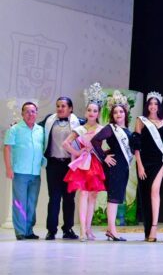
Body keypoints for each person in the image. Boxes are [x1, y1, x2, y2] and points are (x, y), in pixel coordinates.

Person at [61, 85, 106, 242]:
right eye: (89, 110)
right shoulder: (79, 129)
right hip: (83, 164)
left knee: (93, 196)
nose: (92, 113)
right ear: (86, 112)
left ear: (98, 113)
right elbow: (65, 143)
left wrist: (105, 154)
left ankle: (88, 229)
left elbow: (107, 146)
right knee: (83, 194)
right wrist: (78, 152)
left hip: (96, 163)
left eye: (95, 110)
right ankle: (82, 230)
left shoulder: (102, 129)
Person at [91, 92, 134, 242]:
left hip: (123, 167)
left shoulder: (127, 130)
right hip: (115, 167)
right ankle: (112, 230)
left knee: (116, 198)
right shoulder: (111, 128)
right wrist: (104, 157)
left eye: (121, 111)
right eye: (115, 112)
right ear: (112, 115)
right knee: (113, 198)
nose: (118, 114)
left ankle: (111, 229)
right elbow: (95, 141)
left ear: (125, 113)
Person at [40, 97, 83, 240]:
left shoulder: (79, 122)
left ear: (70, 108)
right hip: (53, 165)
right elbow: (34, 126)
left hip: (70, 165)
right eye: (58, 106)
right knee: (54, 198)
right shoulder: (49, 120)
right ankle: (51, 230)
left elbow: (92, 129)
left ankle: (68, 229)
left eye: (63, 106)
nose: (60, 108)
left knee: (69, 198)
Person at [3, 102, 45, 240]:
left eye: (33, 111)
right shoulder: (14, 129)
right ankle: (20, 232)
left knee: (31, 203)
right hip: (20, 172)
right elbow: (7, 148)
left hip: (35, 173)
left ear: (36, 113)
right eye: (27, 111)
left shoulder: (40, 130)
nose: (30, 114)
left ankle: (28, 231)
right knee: (19, 203)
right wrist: (8, 168)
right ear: (22, 114)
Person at [133, 92, 163, 242]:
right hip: (144, 161)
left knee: (155, 191)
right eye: (151, 104)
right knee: (145, 194)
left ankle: (154, 227)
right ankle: (147, 229)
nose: (153, 106)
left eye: (156, 104)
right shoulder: (141, 120)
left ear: (159, 106)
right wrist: (140, 165)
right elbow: (136, 144)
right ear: (147, 105)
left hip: (159, 161)